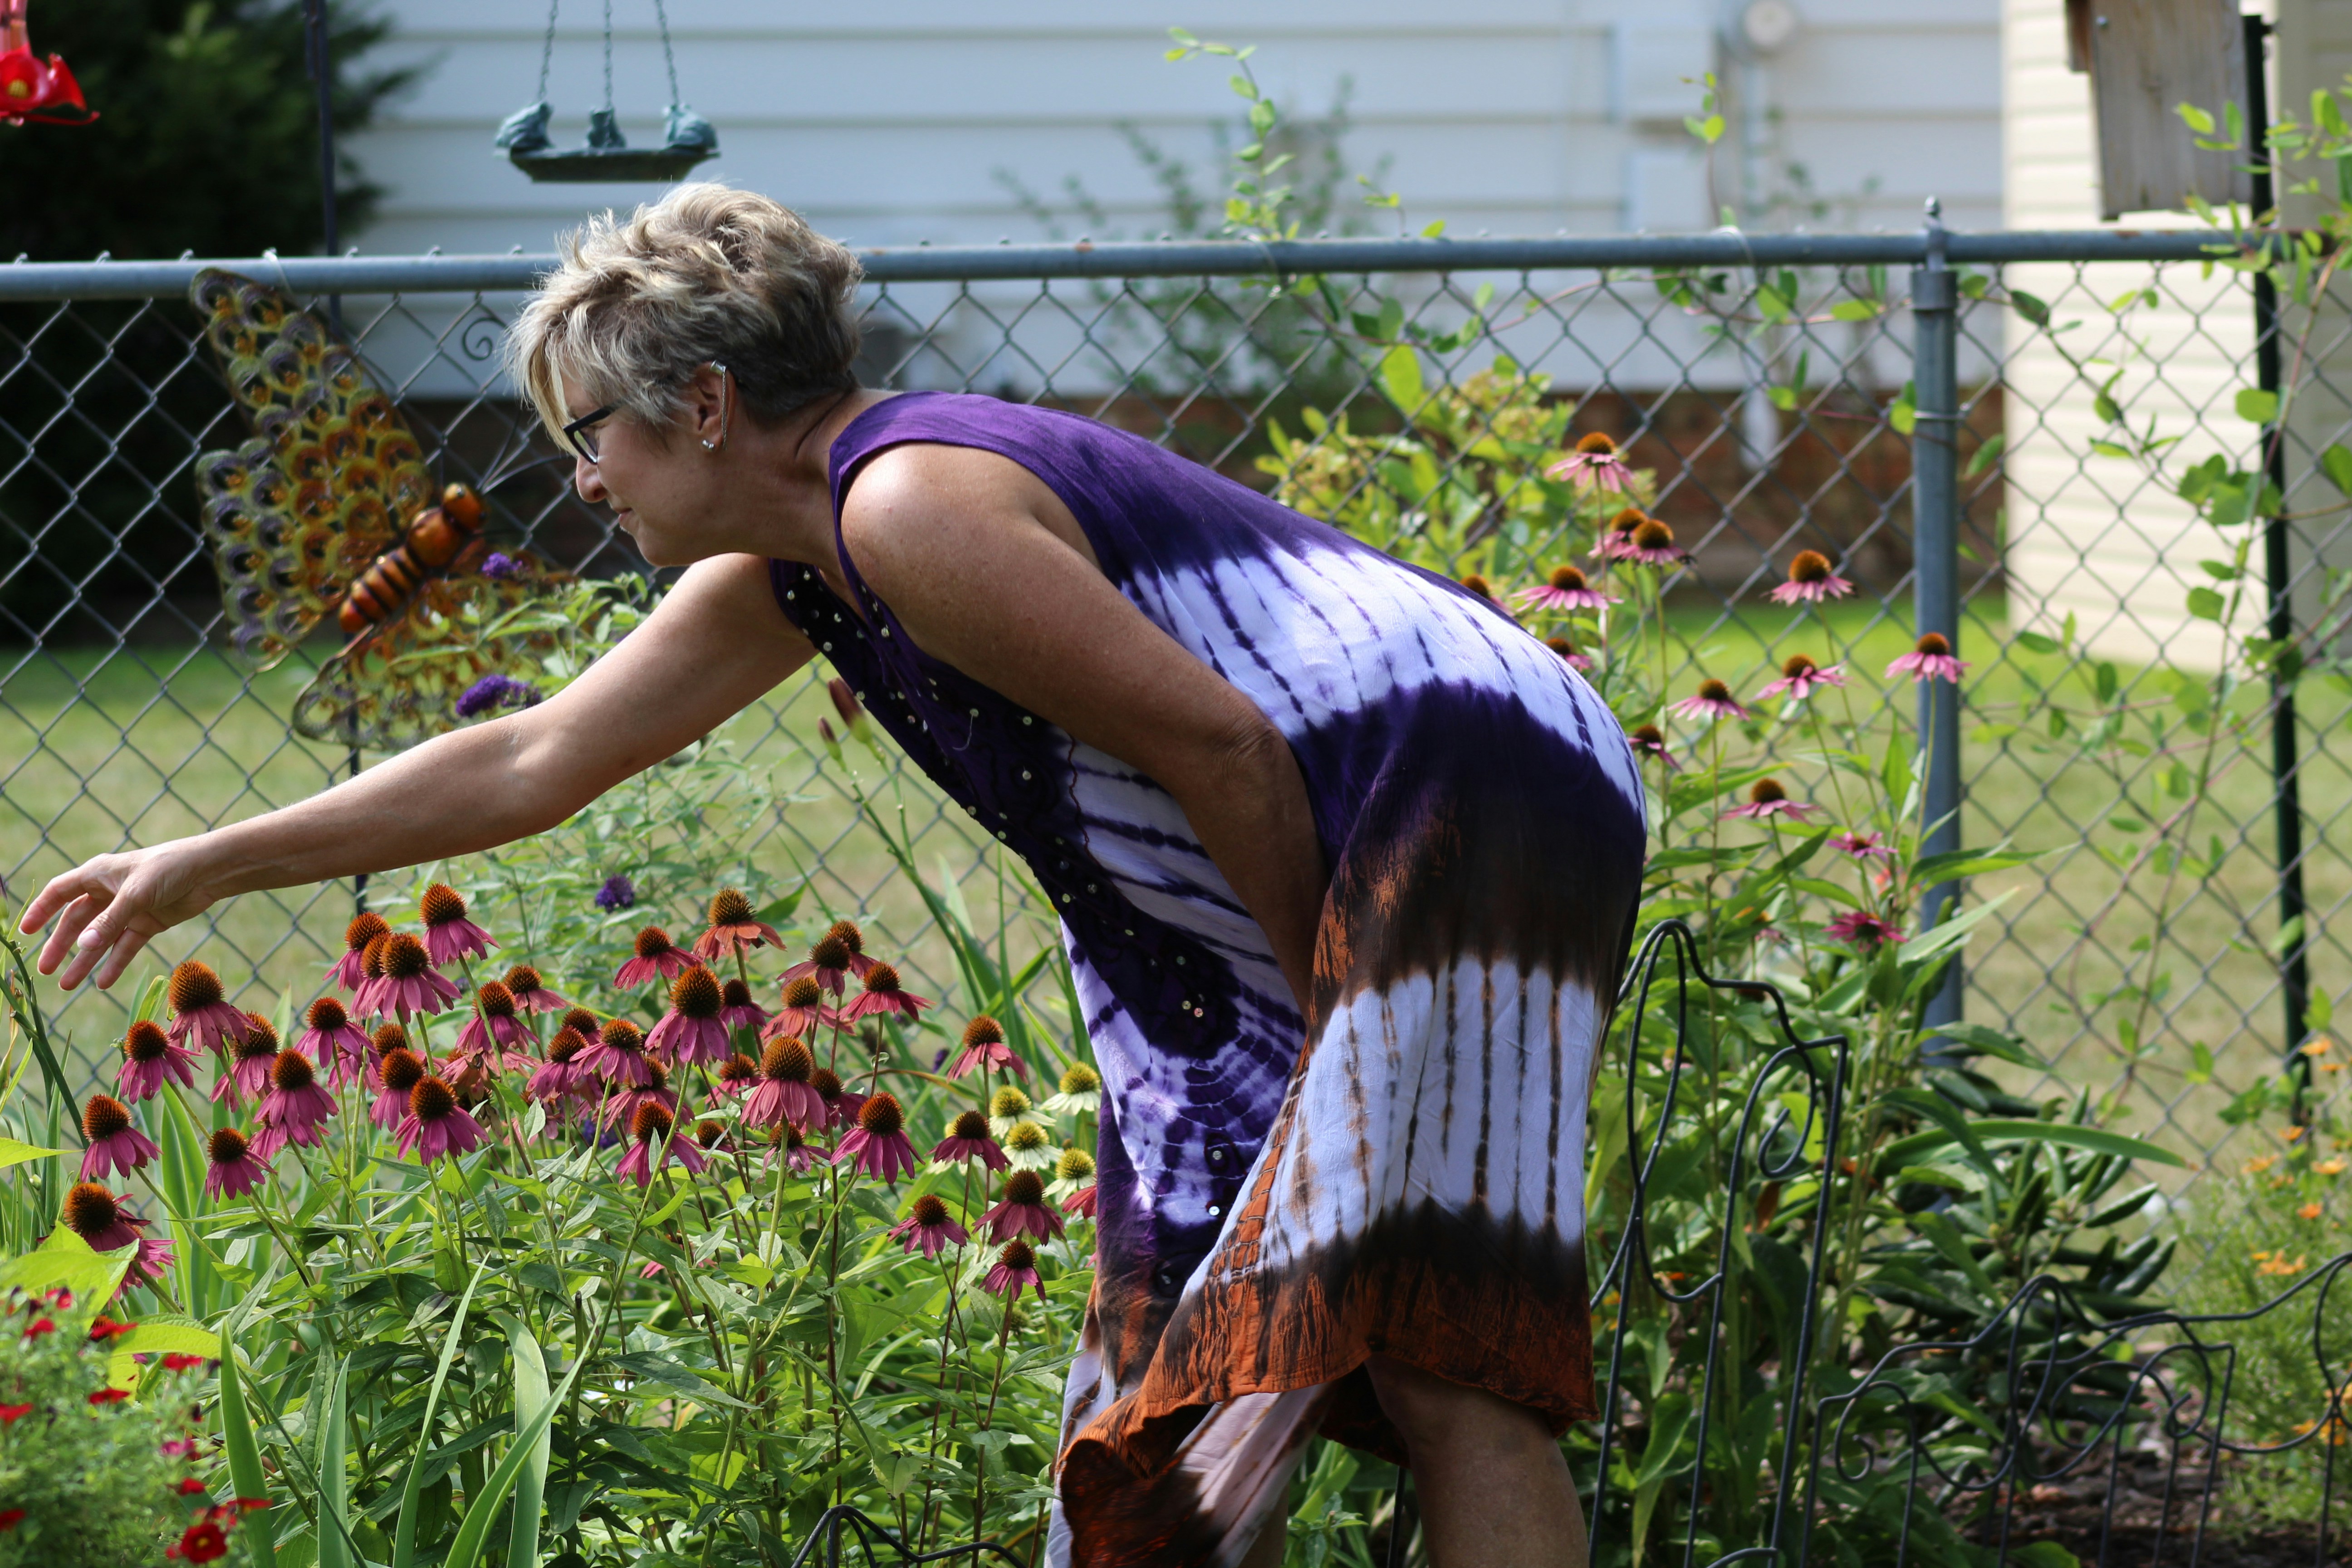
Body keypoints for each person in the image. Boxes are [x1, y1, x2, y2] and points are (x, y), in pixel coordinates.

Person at [20, 185, 1644, 1568]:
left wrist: (1315, 1033)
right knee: (1166, 1384)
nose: (582, 481)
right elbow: (537, 756)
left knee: (1441, 1353)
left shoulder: (913, 504)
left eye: (590, 435)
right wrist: (203, 863)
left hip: (1450, 787)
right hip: (1303, 851)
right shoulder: (798, 566)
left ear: (706, 405)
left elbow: (1224, 750)